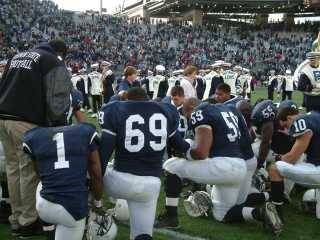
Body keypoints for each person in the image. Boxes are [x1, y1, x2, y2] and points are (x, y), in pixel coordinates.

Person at [155, 101, 282, 235]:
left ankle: (171, 217)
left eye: (188, 115)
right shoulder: (232, 109)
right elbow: (245, 140)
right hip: (243, 163)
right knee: (224, 213)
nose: (189, 120)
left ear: (192, 109)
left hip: (224, 167)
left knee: (171, 165)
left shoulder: (200, 112)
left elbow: (201, 153)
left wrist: (185, 154)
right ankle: (259, 212)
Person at [0, 39, 72, 237]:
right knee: (28, 171)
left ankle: (16, 218)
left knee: (13, 169)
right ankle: (28, 221)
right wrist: (59, 126)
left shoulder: (17, 56)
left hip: (4, 118)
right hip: (25, 120)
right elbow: (56, 97)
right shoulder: (51, 60)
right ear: (61, 53)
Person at [99, 87, 190, 240]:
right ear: (147, 98)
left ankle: (86, 212)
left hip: (120, 180)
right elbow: (180, 145)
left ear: (127, 99)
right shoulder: (167, 110)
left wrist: (93, 189)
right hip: (151, 184)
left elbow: (102, 156)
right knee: (142, 235)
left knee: (92, 170)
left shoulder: (114, 109)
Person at [23, 123, 103, 240]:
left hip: (44, 206)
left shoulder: (34, 135)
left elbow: (39, 174)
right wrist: (98, 202)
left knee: (42, 184)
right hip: (72, 210)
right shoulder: (85, 131)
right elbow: (96, 174)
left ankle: (49, 229)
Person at [269, 106, 320, 224]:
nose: (287, 129)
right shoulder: (315, 114)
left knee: (274, 168)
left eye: (285, 125)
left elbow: (291, 158)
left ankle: (277, 215)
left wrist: (278, 157)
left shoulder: (301, 122)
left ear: (288, 118)